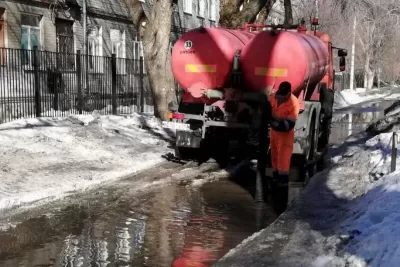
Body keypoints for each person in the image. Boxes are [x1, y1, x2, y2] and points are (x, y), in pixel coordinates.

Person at [268, 81, 300, 213]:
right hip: (274, 135)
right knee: (274, 161)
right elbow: (267, 110)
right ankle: (275, 187)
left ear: (288, 93)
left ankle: (282, 196)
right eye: (279, 94)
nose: (279, 97)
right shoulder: (274, 97)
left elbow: (289, 125)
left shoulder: (294, 102)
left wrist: (274, 123)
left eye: (282, 95)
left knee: (283, 164)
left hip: (286, 136)